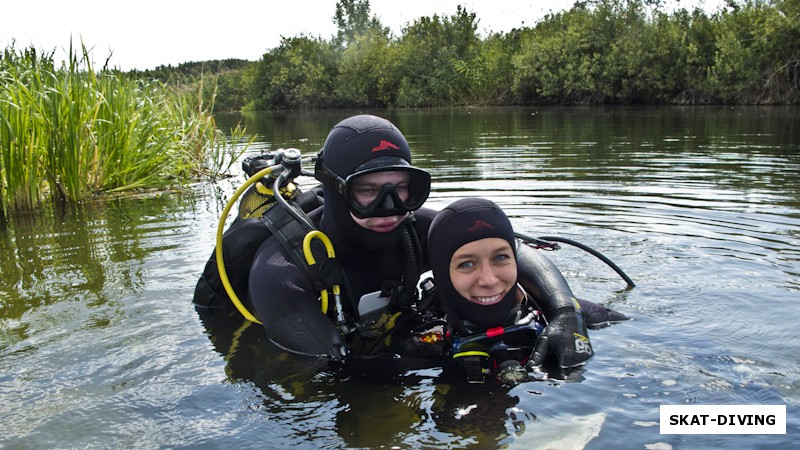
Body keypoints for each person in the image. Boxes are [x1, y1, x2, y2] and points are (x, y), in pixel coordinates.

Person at [427, 197, 594, 382]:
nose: (489, 280)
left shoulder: (567, 320)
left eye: (499, 258)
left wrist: (569, 316)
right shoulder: (421, 347)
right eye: (466, 264)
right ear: (441, 274)